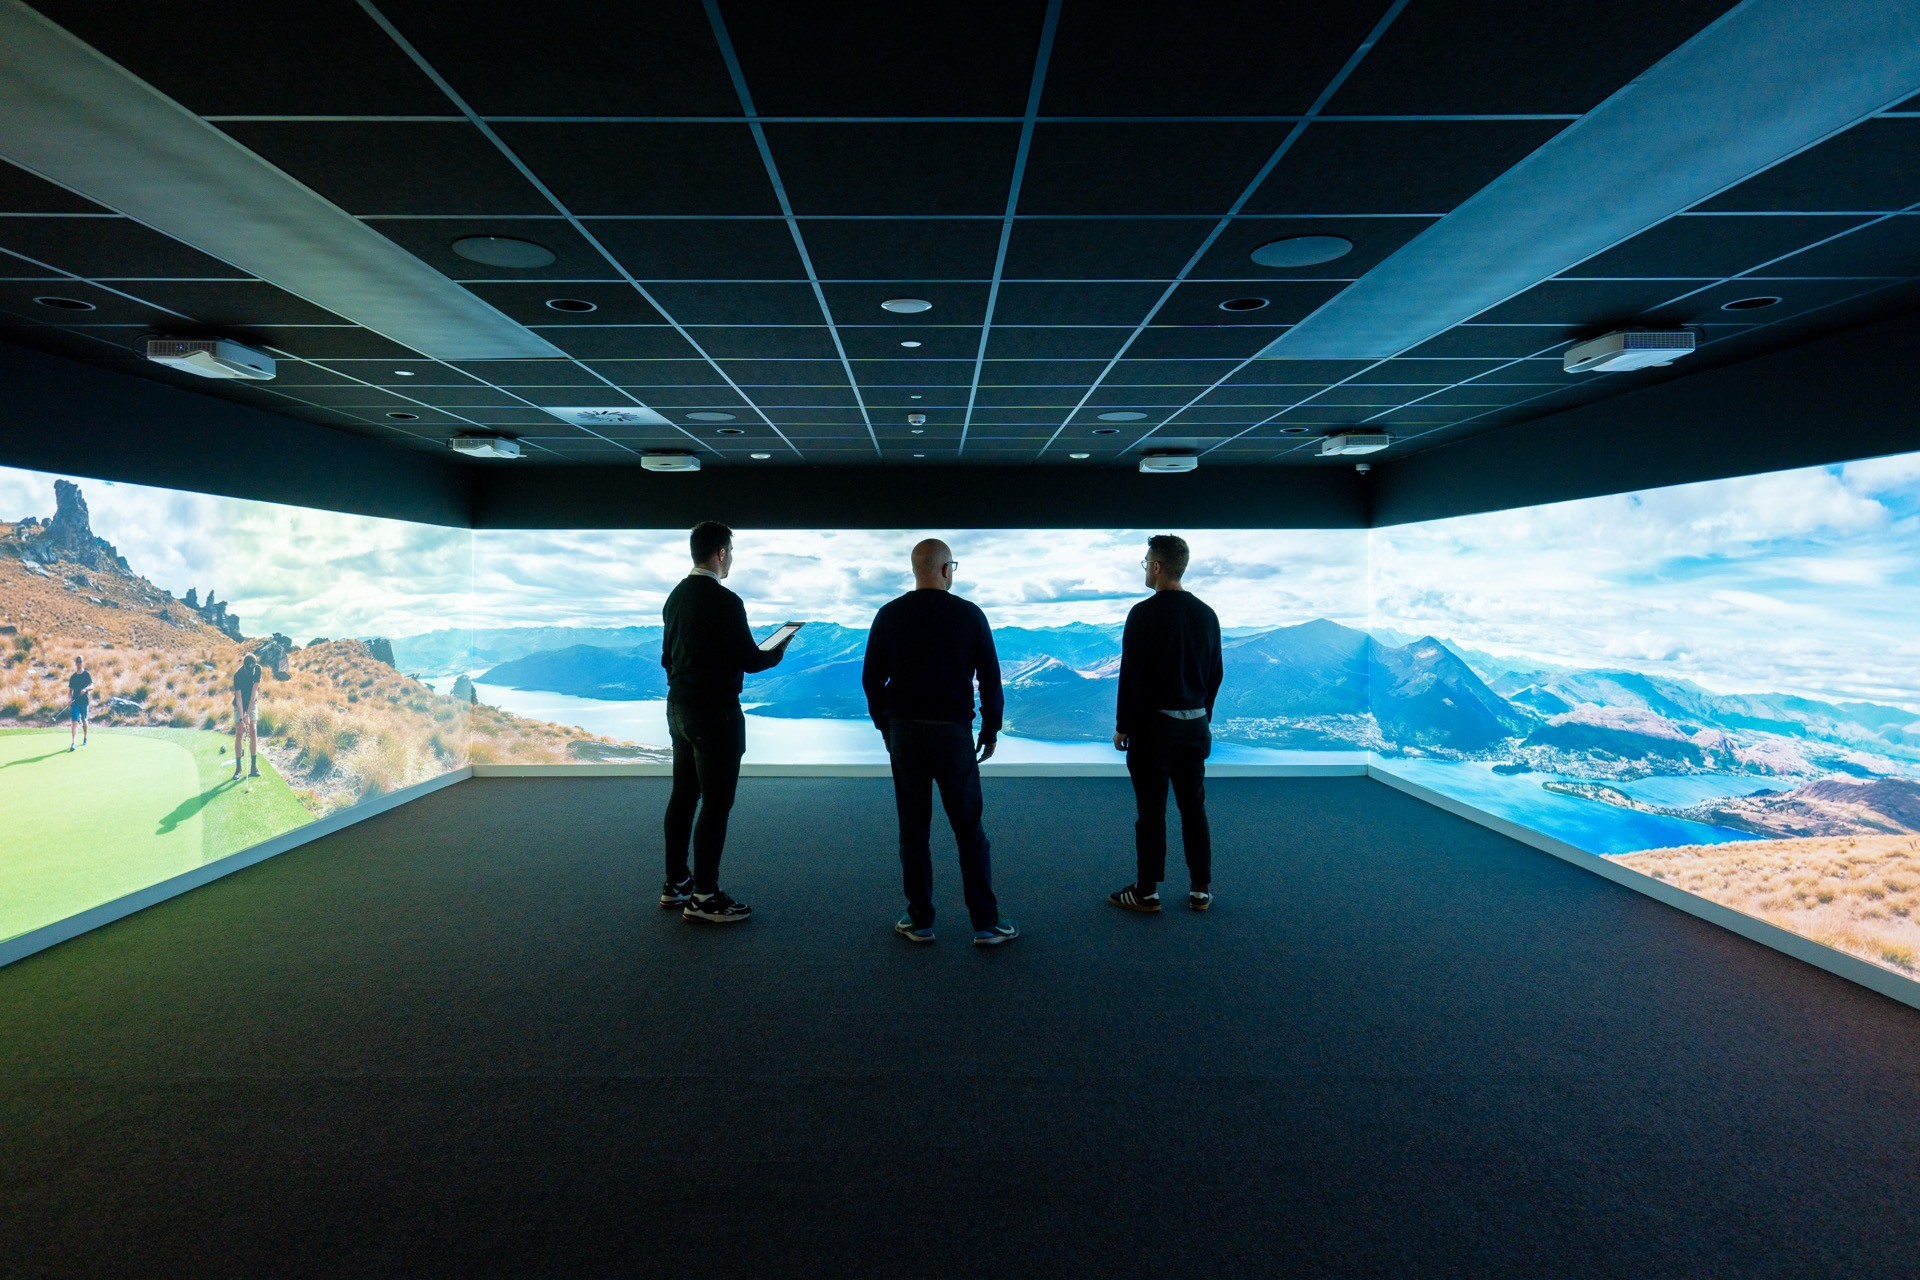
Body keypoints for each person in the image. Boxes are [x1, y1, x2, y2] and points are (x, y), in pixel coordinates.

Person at [862, 539, 1018, 947]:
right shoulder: (969, 614)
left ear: (917, 570)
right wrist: (991, 729)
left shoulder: (889, 614)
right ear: (947, 569)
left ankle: (920, 920)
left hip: (906, 732)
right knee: (969, 828)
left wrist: (886, 726)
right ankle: (985, 923)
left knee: (914, 829)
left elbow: (871, 679)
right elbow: (990, 678)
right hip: (953, 734)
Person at [659, 521, 793, 924]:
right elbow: (751, 659)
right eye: (730, 552)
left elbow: (667, 658)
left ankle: (676, 884)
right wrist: (778, 650)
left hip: (679, 708)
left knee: (683, 796)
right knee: (716, 804)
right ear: (720, 553)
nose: (731, 558)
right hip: (715, 713)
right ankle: (704, 897)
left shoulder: (675, 596)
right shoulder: (725, 600)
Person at [1108, 535, 1223, 914]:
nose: (1145, 568)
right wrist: (1200, 713)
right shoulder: (1207, 614)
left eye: (1146, 563)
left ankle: (1146, 892)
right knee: (1194, 807)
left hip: (1154, 732)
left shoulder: (1143, 614)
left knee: (1151, 810)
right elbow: (1214, 674)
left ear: (1157, 567)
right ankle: (1200, 889)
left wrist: (1124, 725)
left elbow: (1133, 677)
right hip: (1194, 728)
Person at [232, 652, 262, 780]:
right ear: (244, 666)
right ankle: (238, 768)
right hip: (239, 704)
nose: (251, 672)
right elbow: (238, 698)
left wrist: (248, 714)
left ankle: (253, 766)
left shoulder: (258, 669)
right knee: (239, 732)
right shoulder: (237, 675)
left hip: (251, 702)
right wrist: (241, 717)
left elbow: (254, 693)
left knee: (253, 730)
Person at [67, 654, 92, 751]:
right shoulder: (73, 677)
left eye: (80, 661)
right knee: (74, 722)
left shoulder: (86, 674)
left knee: (85, 721)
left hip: (84, 702)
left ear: (82, 662)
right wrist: (69, 699)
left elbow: (92, 686)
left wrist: (86, 689)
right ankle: (73, 742)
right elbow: (70, 691)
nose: (79, 663)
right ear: (75, 663)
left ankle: (85, 737)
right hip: (75, 703)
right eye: (77, 662)